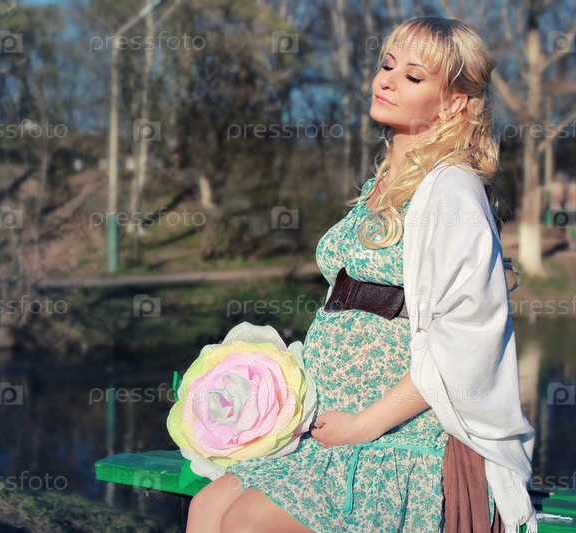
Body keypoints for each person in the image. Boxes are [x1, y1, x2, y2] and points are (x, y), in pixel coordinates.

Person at [186, 16, 536, 533]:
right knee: (206, 510)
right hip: (330, 427)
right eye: (387, 66)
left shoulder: (451, 191)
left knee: (244, 524)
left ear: (453, 104)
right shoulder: (382, 182)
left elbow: (464, 342)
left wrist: (362, 426)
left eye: (412, 76)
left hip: (399, 440)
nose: (386, 81)